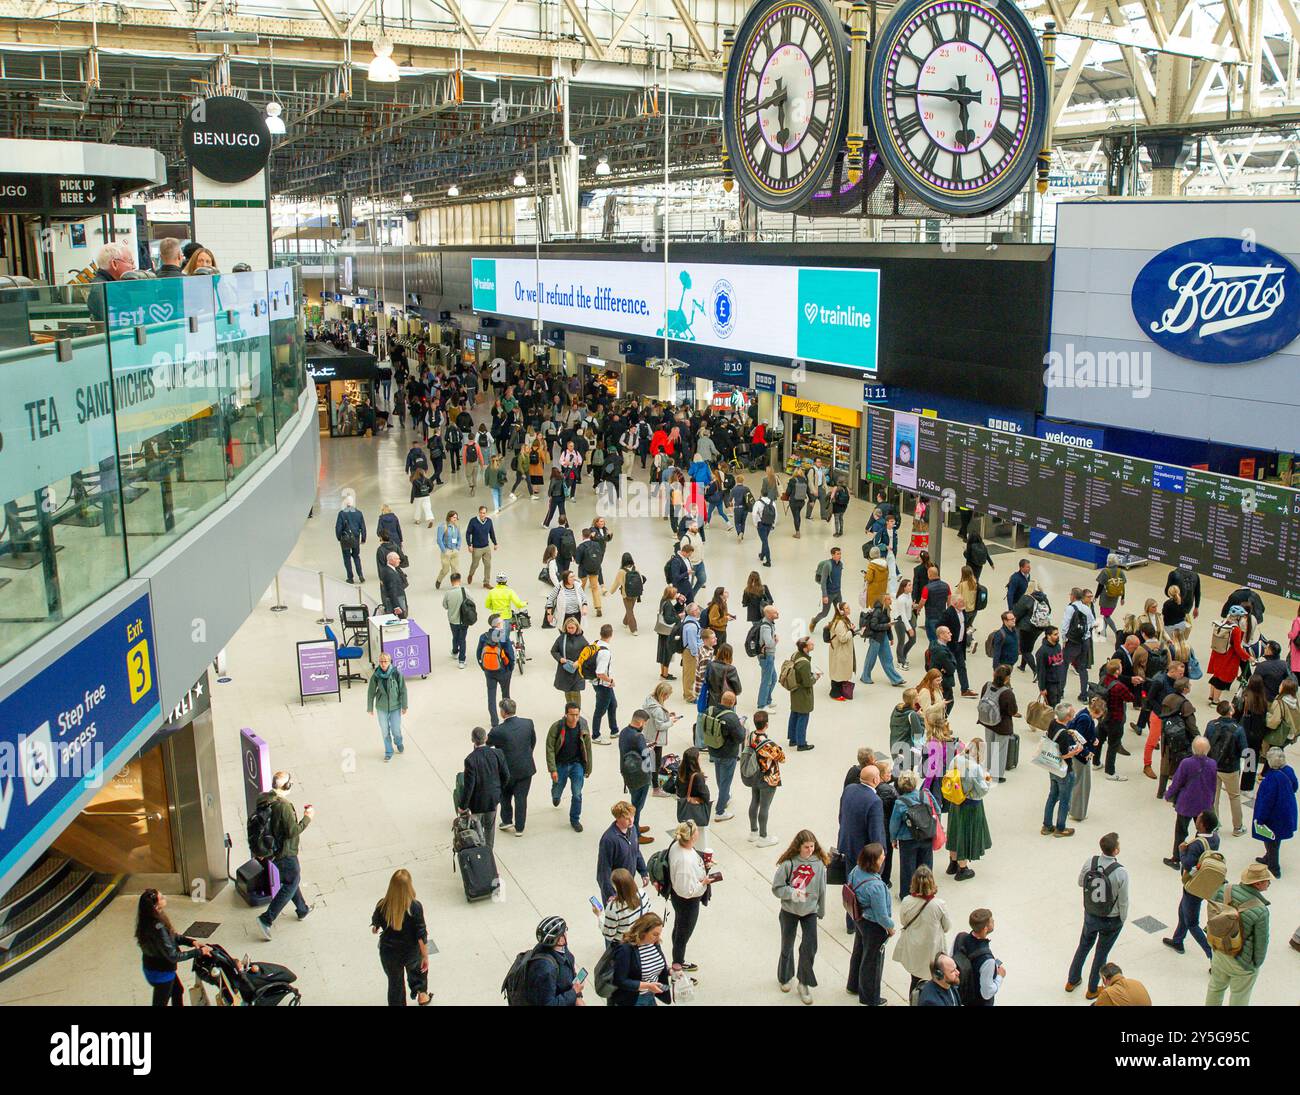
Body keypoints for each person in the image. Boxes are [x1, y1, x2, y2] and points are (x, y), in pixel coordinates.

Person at [1066, 832, 1129, 999]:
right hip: (1111, 919)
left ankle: (1072, 980)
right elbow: (1123, 900)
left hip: (1091, 914)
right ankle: (1092, 988)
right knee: (1101, 953)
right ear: (1116, 850)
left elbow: (1081, 882)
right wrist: (1122, 918)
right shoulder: (1121, 872)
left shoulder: (1090, 862)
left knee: (1084, 946)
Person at [771, 829, 829, 1004]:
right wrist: (792, 893)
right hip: (789, 910)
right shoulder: (788, 864)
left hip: (809, 911)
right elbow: (777, 888)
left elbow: (822, 889)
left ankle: (804, 982)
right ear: (798, 846)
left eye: (812, 846)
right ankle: (785, 976)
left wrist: (821, 910)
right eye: (806, 847)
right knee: (787, 945)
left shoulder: (819, 864)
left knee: (810, 947)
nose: (810, 850)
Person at [255, 771, 314, 940]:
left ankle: (302, 909)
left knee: (291, 879)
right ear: (287, 786)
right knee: (291, 882)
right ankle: (266, 919)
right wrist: (307, 818)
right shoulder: (284, 806)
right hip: (284, 851)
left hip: (270, 849)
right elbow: (292, 831)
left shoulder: (264, 798)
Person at [1205, 862, 1272, 1006]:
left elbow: (1212, 915)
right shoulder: (1261, 911)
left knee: (1215, 988)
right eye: (1267, 880)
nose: (1269, 883)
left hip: (1219, 950)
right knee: (1239, 996)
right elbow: (1261, 943)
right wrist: (1255, 965)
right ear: (1258, 884)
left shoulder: (1224, 889)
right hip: (1241, 961)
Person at [1162, 808, 1221, 958]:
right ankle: (1178, 940)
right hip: (1203, 882)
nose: (1197, 819)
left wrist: (1182, 851)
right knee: (1183, 911)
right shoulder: (1215, 838)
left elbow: (1188, 864)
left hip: (1193, 886)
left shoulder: (1196, 844)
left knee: (1192, 922)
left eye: (1199, 818)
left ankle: (1212, 955)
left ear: (1202, 825)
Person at [135, 889, 211, 1006]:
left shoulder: (150, 919)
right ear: (155, 906)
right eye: (161, 898)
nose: (164, 897)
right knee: (161, 1002)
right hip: (161, 973)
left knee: (178, 990)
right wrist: (199, 952)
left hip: (156, 966)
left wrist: (190, 942)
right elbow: (173, 956)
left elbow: (171, 936)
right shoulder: (157, 927)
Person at [371, 870, 431, 1006]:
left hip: (389, 953)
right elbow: (421, 935)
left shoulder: (382, 904)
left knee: (395, 983)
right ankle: (422, 994)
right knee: (417, 969)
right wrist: (425, 956)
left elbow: (376, 924)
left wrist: (376, 927)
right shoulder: (415, 907)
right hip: (410, 951)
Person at [846, 843, 893, 1006]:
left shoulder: (856, 871)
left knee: (859, 951)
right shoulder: (876, 887)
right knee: (872, 961)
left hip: (859, 918)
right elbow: (882, 916)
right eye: (881, 857)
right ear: (874, 861)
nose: (884, 858)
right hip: (873, 926)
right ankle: (870, 998)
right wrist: (890, 926)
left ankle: (853, 985)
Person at [892, 865, 951, 995]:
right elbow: (947, 927)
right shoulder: (939, 904)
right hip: (933, 950)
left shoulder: (907, 901)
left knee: (915, 981)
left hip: (914, 948)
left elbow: (903, 921)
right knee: (936, 982)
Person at [1163, 736, 1219, 867]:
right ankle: (1202, 857)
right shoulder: (1212, 764)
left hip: (1186, 803)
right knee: (1203, 833)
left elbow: (1177, 782)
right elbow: (1213, 785)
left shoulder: (1186, 763)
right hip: (1204, 804)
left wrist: (1168, 794)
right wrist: (1211, 801)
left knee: (1181, 832)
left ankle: (1176, 858)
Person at [667, 820, 712, 971]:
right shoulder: (684, 862)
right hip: (687, 902)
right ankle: (677, 966)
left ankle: (678, 957)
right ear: (692, 837)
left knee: (679, 927)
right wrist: (704, 882)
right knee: (683, 933)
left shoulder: (676, 845)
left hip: (677, 898)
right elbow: (687, 891)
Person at [488, 699, 536, 837]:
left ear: (503, 712)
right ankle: (520, 827)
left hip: (507, 770)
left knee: (505, 796)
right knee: (521, 798)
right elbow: (533, 742)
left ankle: (507, 820)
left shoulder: (497, 731)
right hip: (526, 768)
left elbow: (487, 746)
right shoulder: (528, 723)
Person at [946, 737, 992, 881]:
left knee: (954, 831)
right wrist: (987, 780)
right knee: (965, 834)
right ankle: (963, 868)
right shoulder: (975, 767)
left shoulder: (956, 759)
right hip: (970, 805)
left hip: (955, 801)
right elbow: (982, 790)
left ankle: (952, 863)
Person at [461, 726, 510, 849]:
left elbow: (469, 786)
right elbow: (506, 775)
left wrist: (463, 806)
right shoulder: (497, 753)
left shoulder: (470, 760)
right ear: (486, 738)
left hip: (477, 803)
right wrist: (498, 790)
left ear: (472, 740)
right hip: (492, 799)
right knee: (490, 828)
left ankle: (480, 852)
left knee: (478, 831)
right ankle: (488, 852)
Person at [609, 913, 672, 1007]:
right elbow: (620, 980)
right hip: (633, 999)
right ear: (643, 932)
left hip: (650, 995)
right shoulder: (625, 949)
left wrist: (670, 970)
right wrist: (647, 986)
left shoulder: (654, 943)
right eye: (655, 934)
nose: (658, 938)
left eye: (659, 934)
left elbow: (655, 964)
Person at [546, 702, 592, 833]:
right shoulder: (557, 727)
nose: (575, 718)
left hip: (577, 765)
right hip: (561, 764)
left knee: (577, 794)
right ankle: (556, 796)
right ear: (566, 714)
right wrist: (553, 769)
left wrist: (588, 768)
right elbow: (549, 748)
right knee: (557, 786)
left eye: (577, 714)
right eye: (572, 715)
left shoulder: (583, 726)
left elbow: (588, 747)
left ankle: (575, 820)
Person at [1253, 746, 1297, 879]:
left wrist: (1260, 819)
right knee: (1276, 840)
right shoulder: (1289, 770)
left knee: (1271, 840)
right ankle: (1269, 857)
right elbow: (1295, 786)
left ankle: (1274, 868)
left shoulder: (1270, 779)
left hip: (1273, 816)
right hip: (1287, 810)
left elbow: (1266, 802)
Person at [596, 801, 649, 905]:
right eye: (627, 818)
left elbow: (636, 852)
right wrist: (611, 895)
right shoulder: (609, 840)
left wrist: (643, 872)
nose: (631, 821)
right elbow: (603, 871)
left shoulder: (632, 829)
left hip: (629, 883)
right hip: (616, 889)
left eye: (632, 816)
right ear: (617, 818)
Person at [523, 915, 583, 1007]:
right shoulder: (546, 969)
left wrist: (578, 996)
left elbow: (569, 970)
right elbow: (549, 1003)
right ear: (559, 940)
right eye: (564, 931)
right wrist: (574, 992)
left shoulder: (560, 948)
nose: (566, 933)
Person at [1042, 702, 1082, 837]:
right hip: (1064, 770)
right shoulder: (1064, 735)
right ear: (1067, 717)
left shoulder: (1053, 723)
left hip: (1052, 767)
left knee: (1052, 795)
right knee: (1065, 800)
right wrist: (1075, 751)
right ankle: (1060, 828)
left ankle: (1047, 826)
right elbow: (1064, 754)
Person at [951, 907, 1004, 1006]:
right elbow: (986, 993)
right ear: (985, 929)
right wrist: (1000, 976)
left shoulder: (960, 937)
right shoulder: (987, 960)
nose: (994, 921)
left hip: (963, 997)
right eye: (991, 921)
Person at [617, 709, 654, 839]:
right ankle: (635, 834)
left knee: (634, 802)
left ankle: (636, 826)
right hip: (640, 776)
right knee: (637, 805)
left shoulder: (623, 732)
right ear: (641, 723)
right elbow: (646, 758)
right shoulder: (638, 737)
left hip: (628, 773)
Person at [594, 868, 653, 950]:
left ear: (616, 887)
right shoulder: (643, 894)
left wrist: (599, 915)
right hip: (640, 941)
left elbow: (609, 935)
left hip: (623, 947)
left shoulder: (613, 908)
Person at [366, 651, 408, 762]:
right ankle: (389, 751)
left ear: (390, 662)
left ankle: (398, 742)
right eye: (381, 661)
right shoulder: (376, 675)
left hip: (395, 707)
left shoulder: (397, 673)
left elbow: (403, 690)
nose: (383, 663)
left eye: (385, 661)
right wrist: (370, 708)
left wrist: (404, 705)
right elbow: (371, 692)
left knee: (396, 730)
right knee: (385, 730)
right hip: (381, 707)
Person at [786, 635, 819, 751]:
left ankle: (793, 739)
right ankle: (801, 743)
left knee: (794, 713)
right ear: (805, 648)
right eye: (811, 644)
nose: (813, 644)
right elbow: (807, 683)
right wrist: (815, 677)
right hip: (802, 693)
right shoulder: (805, 663)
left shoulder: (795, 655)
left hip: (794, 690)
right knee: (803, 716)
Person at [551, 616, 589, 710]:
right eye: (568, 628)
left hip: (577, 672)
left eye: (572, 628)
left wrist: (579, 662)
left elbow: (588, 653)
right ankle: (570, 712)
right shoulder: (561, 638)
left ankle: (577, 713)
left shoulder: (582, 639)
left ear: (577, 627)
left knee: (576, 693)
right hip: (565, 670)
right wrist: (560, 659)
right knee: (567, 693)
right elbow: (554, 651)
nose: (570, 630)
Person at [590, 624, 619, 745]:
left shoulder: (595, 645)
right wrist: (610, 681)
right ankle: (596, 735)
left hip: (599, 684)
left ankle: (614, 729)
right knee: (600, 710)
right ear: (611, 635)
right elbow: (600, 673)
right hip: (603, 685)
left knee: (613, 705)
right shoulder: (605, 652)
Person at [607, 552, 642, 634]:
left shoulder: (621, 571)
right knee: (630, 609)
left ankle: (634, 629)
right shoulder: (635, 568)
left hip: (626, 595)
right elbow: (641, 579)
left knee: (629, 611)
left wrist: (610, 592)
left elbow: (616, 583)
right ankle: (625, 622)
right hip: (636, 594)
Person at [334, 495, 366, 583]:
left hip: (345, 540)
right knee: (356, 557)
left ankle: (350, 577)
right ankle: (360, 575)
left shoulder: (342, 513)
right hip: (355, 538)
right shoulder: (359, 513)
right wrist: (363, 538)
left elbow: (338, 527)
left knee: (347, 558)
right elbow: (363, 526)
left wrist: (339, 537)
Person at [1095, 554, 1127, 640]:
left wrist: (1096, 596)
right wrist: (1123, 597)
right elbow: (1123, 585)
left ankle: (1116, 632)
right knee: (1107, 614)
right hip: (1115, 597)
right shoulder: (1120, 572)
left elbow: (1100, 585)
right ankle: (1102, 631)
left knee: (1106, 616)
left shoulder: (1105, 571)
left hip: (1106, 597)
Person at [465, 505, 498, 589]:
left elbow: (492, 533)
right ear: (478, 512)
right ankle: (470, 574)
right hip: (477, 548)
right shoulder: (473, 521)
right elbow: (468, 533)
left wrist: (495, 543)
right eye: (481, 513)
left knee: (488, 565)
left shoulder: (489, 521)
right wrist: (469, 545)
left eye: (484, 513)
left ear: (486, 513)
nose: (482, 514)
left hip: (486, 547)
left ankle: (486, 582)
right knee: (475, 564)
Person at [1036, 626, 1067, 707]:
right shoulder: (1042, 652)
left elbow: (1061, 663)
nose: (1058, 636)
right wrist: (1042, 688)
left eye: (1058, 634)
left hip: (1059, 682)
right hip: (1050, 685)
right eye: (1055, 634)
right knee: (1051, 708)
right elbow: (1041, 671)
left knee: (1058, 706)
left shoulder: (1058, 646)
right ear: (1048, 636)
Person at [434, 511, 461, 589]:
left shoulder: (456, 526)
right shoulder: (442, 527)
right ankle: (439, 580)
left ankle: (455, 584)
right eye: (454, 517)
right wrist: (444, 550)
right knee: (445, 569)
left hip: (454, 551)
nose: (455, 519)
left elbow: (459, 537)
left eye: (456, 517)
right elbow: (439, 540)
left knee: (455, 569)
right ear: (449, 517)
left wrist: (458, 547)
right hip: (446, 551)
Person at [379, 551, 408, 618]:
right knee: (400, 619)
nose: (399, 560)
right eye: (397, 559)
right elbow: (392, 591)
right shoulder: (391, 574)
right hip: (397, 600)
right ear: (391, 560)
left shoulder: (387, 570)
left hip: (395, 599)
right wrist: (397, 606)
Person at [753, 491, 777, 567]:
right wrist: (774, 524)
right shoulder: (772, 502)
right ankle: (762, 555)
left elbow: (754, 514)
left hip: (761, 524)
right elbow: (776, 514)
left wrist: (755, 523)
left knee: (765, 541)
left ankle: (768, 561)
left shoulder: (758, 503)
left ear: (761, 494)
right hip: (769, 524)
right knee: (765, 539)